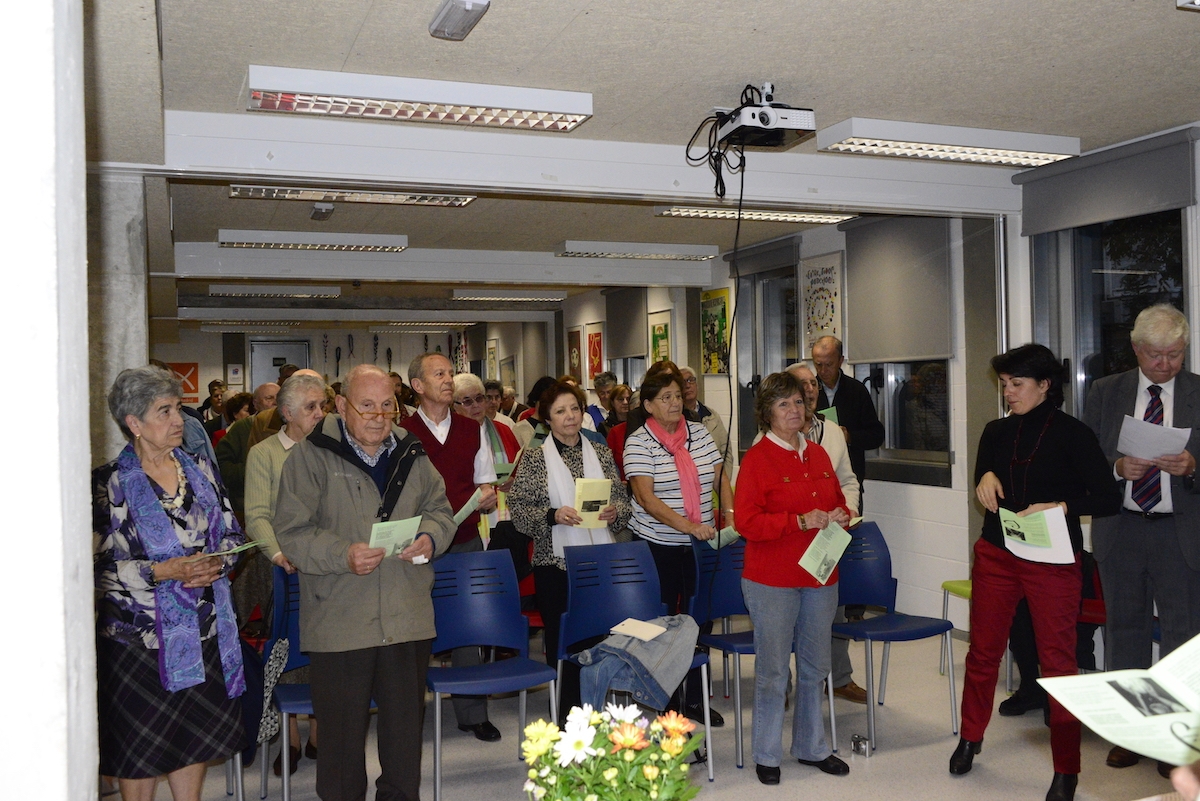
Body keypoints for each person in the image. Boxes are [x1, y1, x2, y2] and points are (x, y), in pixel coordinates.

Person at [274, 364, 456, 801]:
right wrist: (343, 554)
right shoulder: (310, 455)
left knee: (403, 736)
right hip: (340, 618)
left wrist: (432, 538)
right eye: (367, 406)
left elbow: (441, 511)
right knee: (338, 740)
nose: (378, 416)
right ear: (341, 406)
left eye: (387, 406)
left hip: (405, 614)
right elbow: (292, 532)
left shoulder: (413, 453)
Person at [951, 344, 1120, 801]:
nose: (1008, 392)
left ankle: (1066, 769)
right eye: (1004, 384)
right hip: (998, 555)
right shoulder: (995, 431)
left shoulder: (1074, 434)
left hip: (1052, 560)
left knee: (1059, 665)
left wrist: (1062, 506)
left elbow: (1107, 498)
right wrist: (983, 477)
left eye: (1017, 384)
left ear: (1046, 385)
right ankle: (970, 737)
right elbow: (985, 477)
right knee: (983, 652)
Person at [94, 366, 247, 801]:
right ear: (134, 424)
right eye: (165, 411)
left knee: (193, 736)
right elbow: (99, 568)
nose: (179, 420)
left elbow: (233, 533)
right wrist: (166, 572)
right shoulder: (108, 483)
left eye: (178, 408)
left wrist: (219, 562)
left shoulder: (200, 468)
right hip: (136, 640)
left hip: (205, 629)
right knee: (138, 748)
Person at [1082, 303, 1200, 776]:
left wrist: (1193, 467)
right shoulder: (1106, 392)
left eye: (1174, 354)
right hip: (1123, 529)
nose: (1166, 365)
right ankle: (1130, 734)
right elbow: (1086, 458)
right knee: (1124, 631)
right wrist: (1115, 467)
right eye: (1156, 355)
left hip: (1180, 532)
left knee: (1182, 636)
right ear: (1135, 349)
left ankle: (1177, 739)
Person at [735, 371, 853, 785]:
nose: (794, 410)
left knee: (815, 664)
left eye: (799, 403)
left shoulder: (819, 454)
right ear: (767, 413)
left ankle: (811, 747)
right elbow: (747, 522)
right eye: (783, 404)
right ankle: (767, 753)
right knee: (772, 671)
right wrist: (798, 520)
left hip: (821, 575)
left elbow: (840, 502)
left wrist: (843, 515)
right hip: (772, 579)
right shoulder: (756, 459)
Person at [508, 379, 630, 716]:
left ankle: (597, 711)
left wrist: (615, 511)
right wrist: (552, 515)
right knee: (565, 643)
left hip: (597, 563)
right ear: (547, 418)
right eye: (561, 411)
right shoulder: (535, 458)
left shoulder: (601, 451)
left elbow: (622, 500)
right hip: (555, 566)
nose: (570, 416)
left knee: (597, 640)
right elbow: (519, 511)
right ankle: (566, 717)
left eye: (575, 408)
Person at [399, 353, 502, 742]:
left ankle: (472, 711)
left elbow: (485, 480)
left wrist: (488, 496)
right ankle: (408, 712)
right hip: (419, 543)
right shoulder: (401, 433)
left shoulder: (471, 428)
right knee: (414, 628)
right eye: (439, 374)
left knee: (469, 626)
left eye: (450, 373)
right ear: (418, 385)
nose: (448, 380)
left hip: (465, 539)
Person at [624, 362, 733, 726]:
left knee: (699, 622)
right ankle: (668, 703)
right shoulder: (638, 442)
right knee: (666, 626)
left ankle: (697, 699)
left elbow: (720, 477)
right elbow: (646, 498)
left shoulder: (699, 433)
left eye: (677, 395)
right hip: (658, 547)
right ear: (649, 405)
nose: (675, 402)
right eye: (665, 397)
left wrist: (728, 512)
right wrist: (687, 525)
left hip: (700, 544)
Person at [244, 373, 328, 773]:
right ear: (287, 413)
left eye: (322, 406)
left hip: (324, 565)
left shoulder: (330, 450)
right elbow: (257, 515)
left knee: (325, 647)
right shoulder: (264, 454)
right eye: (310, 407)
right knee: (288, 650)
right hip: (281, 566)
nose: (319, 413)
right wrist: (278, 554)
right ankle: (289, 739)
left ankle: (319, 735)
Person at [785, 362, 868, 705]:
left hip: (831, 533)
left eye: (813, 384)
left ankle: (840, 678)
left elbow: (848, 480)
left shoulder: (831, 430)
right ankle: (789, 686)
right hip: (794, 535)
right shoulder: (773, 434)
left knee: (832, 608)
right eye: (801, 385)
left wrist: (846, 512)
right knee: (790, 614)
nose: (810, 390)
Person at [453, 373, 528, 579]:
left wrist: (514, 481)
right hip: (469, 520)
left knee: (504, 575)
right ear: (454, 405)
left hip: (503, 518)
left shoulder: (503, 430)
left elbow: (519, 469)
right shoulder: (451, 437)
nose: (476, 405)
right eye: (467, 401)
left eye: (479, 398)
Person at [811, 335, 885, 493]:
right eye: (818, 365)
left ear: (840, 361)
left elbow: (876, 435)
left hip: (849, 481)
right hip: (814, 482)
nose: (823, 371)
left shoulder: (856, 391)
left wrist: (849, 437)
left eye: (829, 364)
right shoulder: (806, 393)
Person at [679, 365, 729, 467]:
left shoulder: (712, 416)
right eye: (683, 382)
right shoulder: (675, 419)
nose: (687, 385)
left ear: (697, 385)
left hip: (715, 479)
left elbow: (726, 452)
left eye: (690, 380)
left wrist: (722, 480)